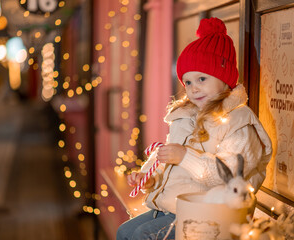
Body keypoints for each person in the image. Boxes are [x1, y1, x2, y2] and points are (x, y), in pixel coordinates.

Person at [117, 17, 272, 240]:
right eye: (187, 82)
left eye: (201, 78)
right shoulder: (185, 116)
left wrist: (185, 157)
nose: (193, 88)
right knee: (124, 232)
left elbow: (227, 179)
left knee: (143, 236)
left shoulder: (239, 122)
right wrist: (151, 178)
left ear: (224, 78)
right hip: (172, 206)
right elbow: (169, 166)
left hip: (208, 216)